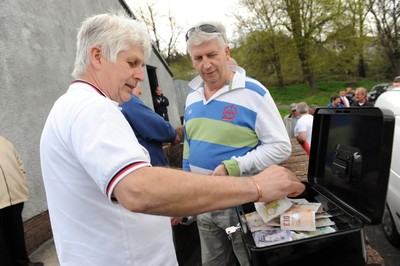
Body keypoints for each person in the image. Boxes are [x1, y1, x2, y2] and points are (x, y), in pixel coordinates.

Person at [39, 12, 305, 266]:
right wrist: (256, 186)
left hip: (224, 206)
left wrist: (184, 197)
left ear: (226, 53)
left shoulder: (78, 105)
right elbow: (138, 189)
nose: (141, 75)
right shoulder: (93, 108)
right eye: (132, 63)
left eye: (141, 64)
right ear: (97, 56)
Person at [183, 21, 292, 266]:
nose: (206, 64)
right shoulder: (191, 97)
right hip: (203, 200)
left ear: (227, 53)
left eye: (212, 55)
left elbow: (280, 146)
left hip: (242, 201)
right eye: (198, 57)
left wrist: (233, 166)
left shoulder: (254, 92)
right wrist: (186, 190)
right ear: (191, 60)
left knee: (250, 261)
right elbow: (189, 146)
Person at [0, 135, 43, 266]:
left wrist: (22, 181)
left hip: (15, 197)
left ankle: (23, 262)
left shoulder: (3, 140)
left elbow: (18, 160)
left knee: (16, 234)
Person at [120, 84, 180, 166]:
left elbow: (166, 103)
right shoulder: (128, 100)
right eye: (139, 94)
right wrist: (172, 134)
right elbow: (155, 124)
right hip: (150, 162)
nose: (139, 99)